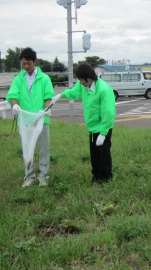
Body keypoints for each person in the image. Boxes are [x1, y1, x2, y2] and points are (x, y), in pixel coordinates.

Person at [51, 64, 116, 182]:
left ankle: (106, 178)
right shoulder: (84, 86)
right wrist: (61, 95)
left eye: (80, 79)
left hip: (103, 127)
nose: (79, 82)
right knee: (94, 153)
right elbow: (74, 92)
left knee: (103, 153)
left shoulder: (103, 90)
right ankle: (96, 176)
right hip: (92, 127)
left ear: (88, 78)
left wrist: (103, 133)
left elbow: (108, 113)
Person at [6, 48, 54, 187]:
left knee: (44, 149)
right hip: (25, 119)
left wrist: (45, 110)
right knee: (27, 148)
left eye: (28, 63)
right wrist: (14, 105)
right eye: (23, 64)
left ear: (34, 62)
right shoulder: (19, 79)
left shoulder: (44, 78)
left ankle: (43, 177)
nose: (26, 66)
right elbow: (12, 95)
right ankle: (29, 176)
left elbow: (48, 96)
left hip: (41, 119)